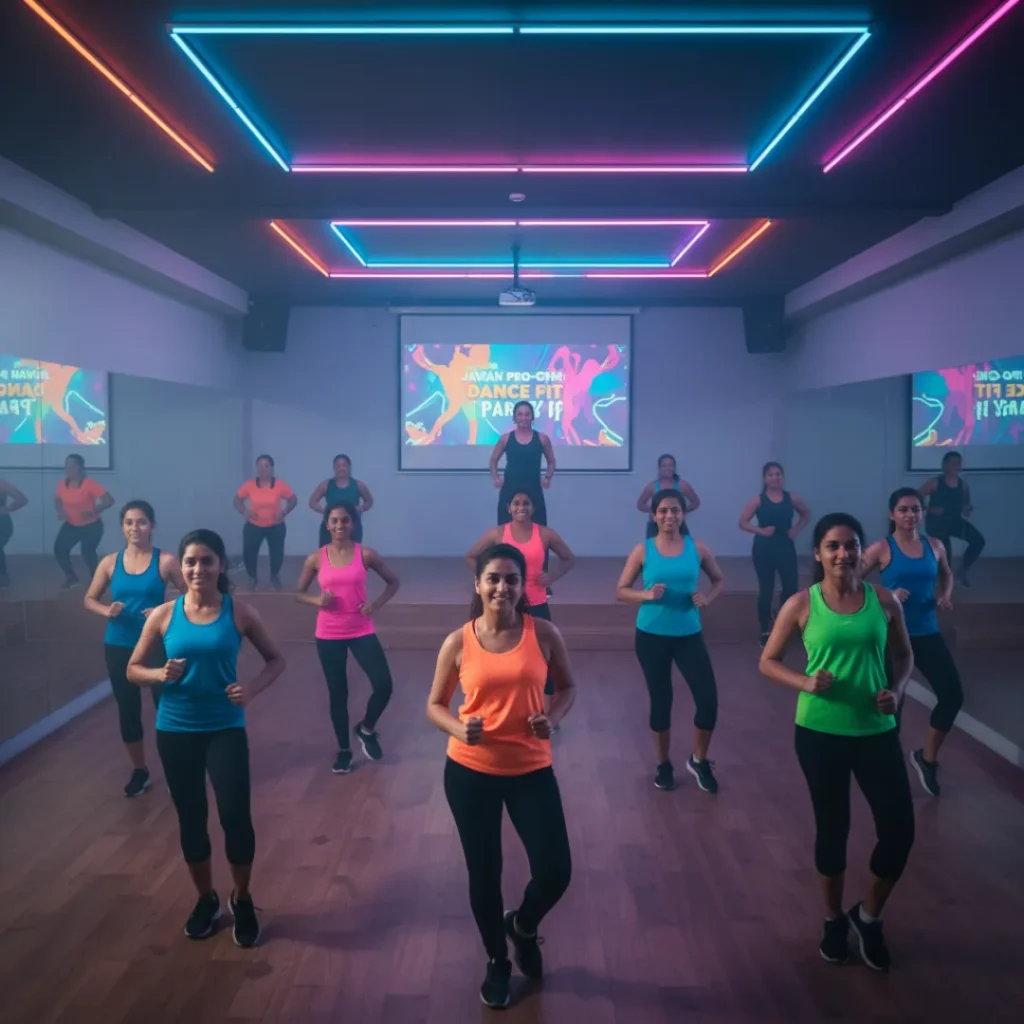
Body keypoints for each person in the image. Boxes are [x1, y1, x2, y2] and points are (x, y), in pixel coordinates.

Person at [759, 513, 915, 972]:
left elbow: (904, 656)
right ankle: (832, 919)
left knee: (899, 831)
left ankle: (867, 916)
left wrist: (898, 689)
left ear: (861, 551)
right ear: (818, 553)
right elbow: (768, 661)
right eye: (833, 546)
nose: (843, 553)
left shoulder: (884, 602)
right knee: (833, 831)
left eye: (851, 545)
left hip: (876, 732)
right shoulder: (801, 605)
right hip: (820, 733)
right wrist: (804, 682)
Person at [427, 543, 576, 1009]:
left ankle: (524, 925)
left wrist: (552, 720)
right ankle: (497, 959)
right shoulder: (458, 641)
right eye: (493, 578)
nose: (502, 587)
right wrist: (459, 726)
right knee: (484, 872)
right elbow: (434, 704)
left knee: (555, 870)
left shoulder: (544, 634)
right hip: (471, 773)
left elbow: (568, 687)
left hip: (531, 768)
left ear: (522, 585)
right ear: (478, 584)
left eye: (511, 579)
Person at [127, 529, 285, 948]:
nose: (198, 568)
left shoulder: (239, 612)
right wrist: (159, 674)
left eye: (207, 560)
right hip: (175, 731)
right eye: (191, 561)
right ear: (181, 567)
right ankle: (205, 899)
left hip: (225, 729)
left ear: (221, 565)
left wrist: (250, 689)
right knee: (192, 818)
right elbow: (132, 669)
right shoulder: (163, 615)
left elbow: (276, 660)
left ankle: (242, 898)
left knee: (236, 817)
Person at [616, 489, 725, 793]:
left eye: (675, 511)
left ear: (683, 515)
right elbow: (621, 590)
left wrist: (708, 597)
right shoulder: (643, 550)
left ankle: (698, 760)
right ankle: (663, 764)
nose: (669, 516)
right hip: (651, 636)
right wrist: (646, 594)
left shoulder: (698, 548)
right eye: (663, 511)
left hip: (688, 635)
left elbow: (719, 579)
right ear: (654, 516)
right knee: (661, 701)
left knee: (707, 698)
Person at [859, 488, 960, 796]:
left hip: (928, 633)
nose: (910, 514)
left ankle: (926, 759)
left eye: (915, 509)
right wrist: (884, 595)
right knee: (892, 707)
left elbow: (946, 574)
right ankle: (886, 774)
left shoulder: (935, 545)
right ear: (892, 514)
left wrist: (945, 594)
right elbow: (850, 579)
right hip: (892, 637)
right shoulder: (881, 549)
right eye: (903, 509)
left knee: (952, 696)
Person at [84, 500, 185, 797]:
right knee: (128, 710)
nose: (134, 528)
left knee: (165, 707)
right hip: (118, 645)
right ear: (122, 527)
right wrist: (106, 611)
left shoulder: (165, 561)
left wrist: (162, 609)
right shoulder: (110, 562)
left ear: (151, 526)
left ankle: (178, 767)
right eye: (128, 522)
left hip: (155, 645)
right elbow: (89, 598)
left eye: (141, 522)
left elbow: (190, 597)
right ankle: (139, 771)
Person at [295, 501, 400, 773]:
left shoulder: (365, 554)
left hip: (361, 629)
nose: (340, 525)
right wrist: (317, 600)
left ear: (353, 523)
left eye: (345, 520)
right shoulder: (315, 558)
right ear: (326, 524)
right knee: (338, 693)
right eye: (334, 521)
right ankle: (344, 750)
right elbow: (298, 593)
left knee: (384, 684)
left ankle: (366, 728)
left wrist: (375, 605)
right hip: (328, 634)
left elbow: (393, 582)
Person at [465, 490, 576, 717]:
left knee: (546, 659)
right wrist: (490, 577)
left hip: (537, 604)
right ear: (509, 507)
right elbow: (471, 556)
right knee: (506, 658)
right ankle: (506, 710)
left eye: (526, 503)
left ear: (533, 508)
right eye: (516, 503)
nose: (521, 507)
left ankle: (546, 715)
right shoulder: (498, 533)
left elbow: (569, 558)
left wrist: (552, 577)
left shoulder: (544, 534)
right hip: (507, 606)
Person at [738, 462, 811, 646]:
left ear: (782, 477)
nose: (775, 478)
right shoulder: (758, 500)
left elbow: (805, 514)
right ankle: (764, 629)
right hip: (764, 549)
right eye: (770, 475)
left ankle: (783, 620)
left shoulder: (792, 497)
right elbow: (742, 522)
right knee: (766, 589)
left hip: (785, 547)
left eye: (778, 474)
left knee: (790, 587)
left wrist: (796, 529)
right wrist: (760, 531)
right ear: (765, 478)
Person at [233, 454, 297, 591]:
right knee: (249, 552)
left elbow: (293, 499)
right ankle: (252, 577)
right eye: (260, 465)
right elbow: (237, 500)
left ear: (272, 468)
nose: (263, 468)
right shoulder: (249, 485)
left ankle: (274, 576)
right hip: (253, 525)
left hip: (276, 526)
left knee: (277, 553)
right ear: (257, 468)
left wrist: (284, 511)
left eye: (266, 465)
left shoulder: (280, 485)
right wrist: (244, 511)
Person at [921, 451, 985, 586]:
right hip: (936, 523)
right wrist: (929, 508)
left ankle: (961, 572)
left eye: (959, 463)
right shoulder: (935, 482)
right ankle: (944, 583)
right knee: (946, 553)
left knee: (978, 541)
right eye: (954, 463)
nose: (957, 466)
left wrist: (967, 509)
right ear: (945, 465)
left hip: (954, 521)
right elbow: (915, 498)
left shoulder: (963, 485)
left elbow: (965, 505)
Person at [489, 401, 555, 529]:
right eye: (520, 414)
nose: (523, 418)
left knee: (539, 529)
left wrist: (547, 478)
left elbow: (551, 461)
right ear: (514, 417)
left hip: (534, 489)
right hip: (509, 489)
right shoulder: (505, 438)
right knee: (505, 529)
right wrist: (496, 478)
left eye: (527, 414)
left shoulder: (542, 439)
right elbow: (493, 460)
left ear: (532, 417)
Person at [53, 454, 114, 589]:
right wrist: (61, 511)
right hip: (71, 525)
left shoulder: (89, 484)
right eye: (66, 464)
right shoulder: (62, 484)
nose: (67, 468)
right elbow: (57, 499)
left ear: (79, 467)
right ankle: (71, 578)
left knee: (87, 552)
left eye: (71, 465)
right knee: (59, 549)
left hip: (91, 526)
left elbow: (109, 500)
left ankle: (99, 580)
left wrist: (94, 510)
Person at [309, 454, 373, 546]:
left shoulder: (358, 485)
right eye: (338, 466)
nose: (341, 468)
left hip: (352, 526)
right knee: (327, 555)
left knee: (352, 555)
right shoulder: (326, 485)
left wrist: (360, 508)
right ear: (334, 468)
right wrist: (327, 512)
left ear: (349, 467)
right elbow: (312, 502)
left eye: (344, 465)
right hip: (331, 526)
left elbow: (369, 502)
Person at [635, 454, 700, 539]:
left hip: (678, 525)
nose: (668, 468)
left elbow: (695, 502)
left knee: (684, 549)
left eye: (671, 465)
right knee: (653, 550)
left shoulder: (683, 485)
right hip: (656, 526)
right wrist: (654, 512)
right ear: (659, 468)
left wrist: (683, 511)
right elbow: (640, 505)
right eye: (664, 466)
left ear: (674, 468)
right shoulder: (652, 486)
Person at [0, 479, 29, 588]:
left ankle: (2, 577)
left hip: (2, 524)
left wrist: (7, 508)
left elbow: (22, 499)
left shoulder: (2, 484)